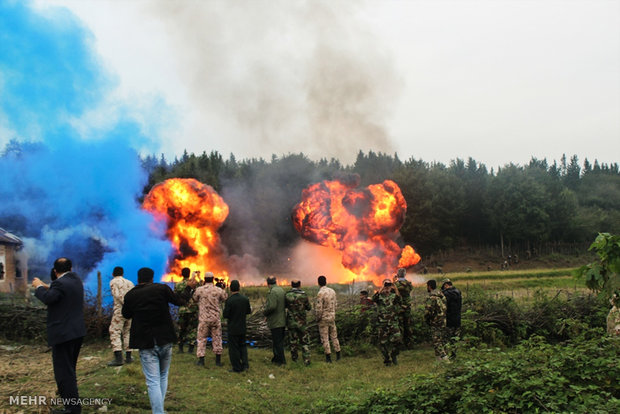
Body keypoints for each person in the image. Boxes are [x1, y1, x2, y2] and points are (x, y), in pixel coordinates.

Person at [122, 267, 196, 414]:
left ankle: (158, 412)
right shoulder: (161, 289)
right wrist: (188, 288)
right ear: (152, 278)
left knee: (152, 381)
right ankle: (160, 410)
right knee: (162, 376)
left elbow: (126, 314)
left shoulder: (131, 295)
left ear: (138, 279)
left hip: (146, 342)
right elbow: (180, 301)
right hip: (165, 339)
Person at [32, 257, 86, 414]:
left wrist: (38, 287)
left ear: (55, 271)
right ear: (71, 268)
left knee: (64, 373)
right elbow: (59, 293)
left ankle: (72, 409)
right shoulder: (75, 280)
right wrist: (46, 286)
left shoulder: (60, 283)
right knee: (69, 370)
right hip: (76, 332)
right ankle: (72, 406)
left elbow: (49, 298)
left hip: (64, 334)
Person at [193, 272, 227, 366]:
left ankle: (201, 360)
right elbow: (225, 298)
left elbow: (194, 299)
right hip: (215, 318)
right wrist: (223, 288)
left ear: (205, 279)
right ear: (212, 279)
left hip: (204, 319)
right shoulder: (218, 290)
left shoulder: (199, 290)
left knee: (201, 338)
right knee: (217, 338)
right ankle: (218, 360)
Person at [107, 266, 135, 366]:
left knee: (115, 331)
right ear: (123, 273)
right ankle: (128, 356)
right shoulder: (130, 283)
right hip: (131, 310)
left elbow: (117, 295)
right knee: (128, 332)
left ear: (113, 274)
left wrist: (125, 304)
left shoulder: (113, 282)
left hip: (120, 311)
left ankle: (118, 357)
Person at [223, 279, 252, 372]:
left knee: (234, 348)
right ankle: (245, 365)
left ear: (231, 289)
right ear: (239, 288)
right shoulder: (245, 299)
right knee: (243, 346)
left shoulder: (229, 301)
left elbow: (225, 315)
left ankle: (236, 367)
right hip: (242, 327)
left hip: (233, 327)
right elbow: (248, 311)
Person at [372, 279, 402, 366]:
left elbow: (399, 299)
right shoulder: (379, 296)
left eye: (389, 286)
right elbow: (374, 299)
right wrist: (382, 288)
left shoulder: (393, 296)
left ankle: (394, 355)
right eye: (386, 286)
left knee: (398, 340)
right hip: (383, 323)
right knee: (382, 344)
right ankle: (387, 359)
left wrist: (395, 287)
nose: (387, 288)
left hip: (393, 323)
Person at [285, 280, 312, 365]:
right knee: (305, 341)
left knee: (293, 341)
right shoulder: (304, 295)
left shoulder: (287, 295)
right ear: (299, 285)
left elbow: (284, 306)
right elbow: (309, 307)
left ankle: (294, 359)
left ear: (291, 285)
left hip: (291, 322)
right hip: (302, 323)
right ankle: (306, 360)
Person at [315, 275, 341, 363]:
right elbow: (335, 304)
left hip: (324, 319)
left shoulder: (320, 293)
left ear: (318, 283)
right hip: (332, 317)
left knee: (325, 338)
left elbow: (319, 309)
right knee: (334, 336)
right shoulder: (332, 291)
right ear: (326, 281)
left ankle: (328, 357)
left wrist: (317, 318)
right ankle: (338, 354)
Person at [263, 276, 286, 365]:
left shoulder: (272, 292)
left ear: (268, 283)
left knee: (277, 342)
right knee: (279, 341)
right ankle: (276, 358)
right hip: (282, 319)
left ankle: (281, 361)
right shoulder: (281, 290)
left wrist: (265, 313)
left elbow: (272, 306)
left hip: (275, 321)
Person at [175, 268, 198, 354]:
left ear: (182, 274)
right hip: (193, 309)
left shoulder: (178, 284)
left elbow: (176, 296)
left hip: (182, 310)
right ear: (189, 274)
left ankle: (180, 348)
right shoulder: (195, 283)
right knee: (192, 329)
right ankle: (191, 348)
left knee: (182, 329)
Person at [424, 279, 448, 361]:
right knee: (443, 339)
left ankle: (445, 358)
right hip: (444, 320)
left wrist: (427, 320)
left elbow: (428, 312)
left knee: (436, 340)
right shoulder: (441, 295)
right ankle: (439, 359)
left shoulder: (431, 297)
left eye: (427, 286)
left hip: (435, 321)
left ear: (429, 286)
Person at [441, 278, 462, 359]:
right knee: (455, 338)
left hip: (448, 319)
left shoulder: (445, 294)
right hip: (457, 318)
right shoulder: (458, 292)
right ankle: (454, 354)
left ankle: (445, 355)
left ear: (446, 285)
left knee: (446, 338)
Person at [394, 267, 414, 348]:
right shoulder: (409, 284)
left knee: (399, 325)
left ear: (397, 274)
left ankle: (400, 344)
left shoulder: (395, 284)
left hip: (399, 306)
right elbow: (410, 290)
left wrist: (393, 281)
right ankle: (409, 344)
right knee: (407, 325)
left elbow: (394, 294)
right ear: (405, 274)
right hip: (407, 306)